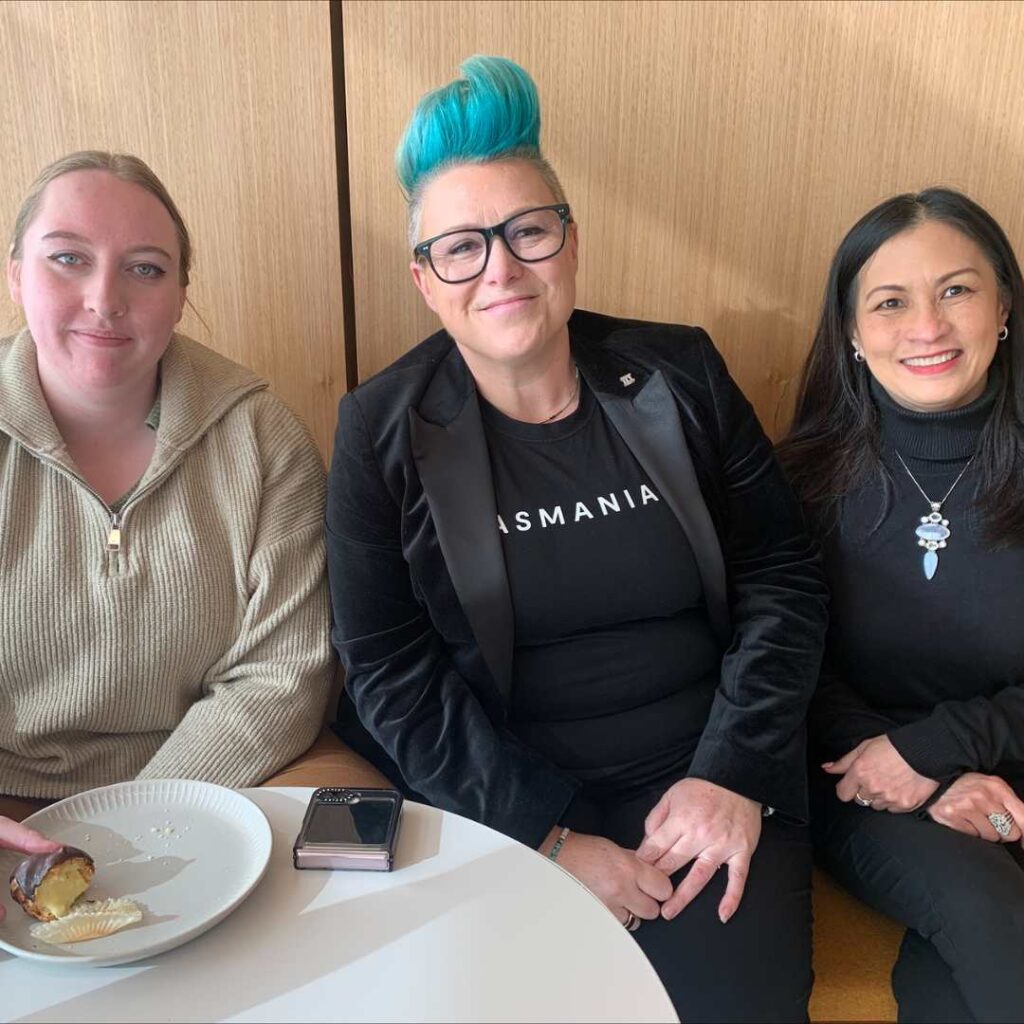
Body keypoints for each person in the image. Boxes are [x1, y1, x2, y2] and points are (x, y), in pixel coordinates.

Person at [328, 57, 827, 1021]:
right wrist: (546, 836)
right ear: (425, 280)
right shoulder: (379, 429)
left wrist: (731, 774)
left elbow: (782, 575)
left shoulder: (678, 372)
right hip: (507, 789)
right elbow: (384, 666)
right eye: (462, 247)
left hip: (710, 773)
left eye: (528, 231)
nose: (502, 268)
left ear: (570, 241)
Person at [0, 151, 333, 827]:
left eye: (145, 268)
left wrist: (124, 829)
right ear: (15, 276)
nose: (105, 299)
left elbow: (282, 679)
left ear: (181, 295)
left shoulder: (265, 438)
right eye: (67, 258)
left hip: (224, 782)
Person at [778, 188, 1024, 1022]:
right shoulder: (800, 480)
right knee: (991, 918)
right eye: (890, 302)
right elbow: (786, 663)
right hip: (865, 781)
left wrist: (946, 747)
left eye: (956, 289)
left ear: (1004, 309)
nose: (928, 326)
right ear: (851, 331)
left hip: (1000, 759)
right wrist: (919, 776)